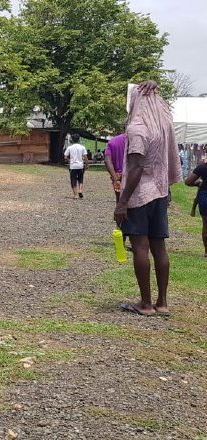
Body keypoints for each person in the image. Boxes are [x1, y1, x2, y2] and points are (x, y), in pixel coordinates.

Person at [115, 81, 182, 317]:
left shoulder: (137, 127)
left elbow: (135, 167)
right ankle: (162, 303)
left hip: (140, 194)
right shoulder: (164, 125)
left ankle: (145, 304)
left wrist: (122, 202)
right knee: (159, 248)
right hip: (161, 193)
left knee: (140, 247)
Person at [185, 160, 207, 257]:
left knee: (206, 225)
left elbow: (188, 181)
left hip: (205, 196)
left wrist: (198, 183)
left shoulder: (202, 167)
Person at [64, 134, 89, 199]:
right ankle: (80, 190)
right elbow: (85, 157)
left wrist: (70, 161)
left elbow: (65, 157)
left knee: (73, 180)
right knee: (80, 179)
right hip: (80, 166)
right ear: (79, 139)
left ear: (72, 140)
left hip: (73, 166)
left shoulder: (69, 147)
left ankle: (75, 195)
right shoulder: (82, 147)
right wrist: (87, 164)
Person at [104, 134, 126, 202]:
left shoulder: (113, 141)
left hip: (118, 176)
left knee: (119, 201)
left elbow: (107, 160)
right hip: (135, 176)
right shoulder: (138, 139)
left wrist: (115, 179)